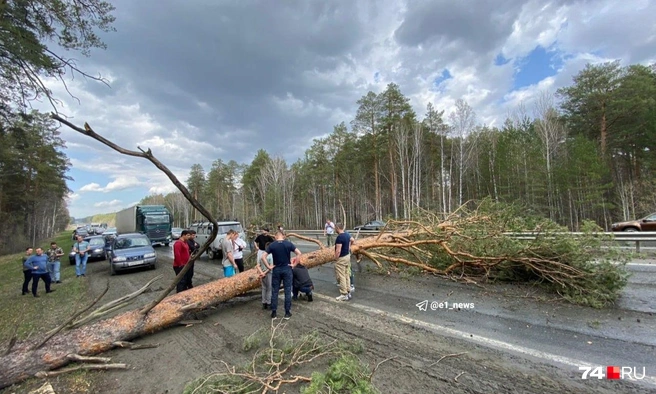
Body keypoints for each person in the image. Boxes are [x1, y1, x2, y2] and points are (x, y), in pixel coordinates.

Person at [261, 231, 302, 320]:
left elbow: (263, 256)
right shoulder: (288, 244)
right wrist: (294, 265)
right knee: (287, 290)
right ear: (283, 236)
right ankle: (287, 313)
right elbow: (299, 253)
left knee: (275, 291)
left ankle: (274, 313)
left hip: (276, 269)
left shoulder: (272, 245)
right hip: (287, 268)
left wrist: (269, 266)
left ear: (276, 237)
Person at [334, 223, 353, 301]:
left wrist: (335, 258)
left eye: (335, 228)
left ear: (338, 228)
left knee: (341, 276)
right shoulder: (347, 235)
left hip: (341, 258)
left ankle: (343, 294)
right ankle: (348, 291)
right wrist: (348, 248)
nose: (335, 229)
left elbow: (338, 251)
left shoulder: (339, 238)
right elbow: (352, 240)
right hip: (347, 256)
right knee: (346, 274)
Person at [256, 241, 273, 309]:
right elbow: (271, 267)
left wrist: (261, 273)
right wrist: (265, 273)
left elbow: (258, 265)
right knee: (269, 288)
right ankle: (268, 303)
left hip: (262, 273)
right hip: (268, 274)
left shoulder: (261, 255)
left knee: (264, 288)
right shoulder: (271, 256)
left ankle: (263, 303)